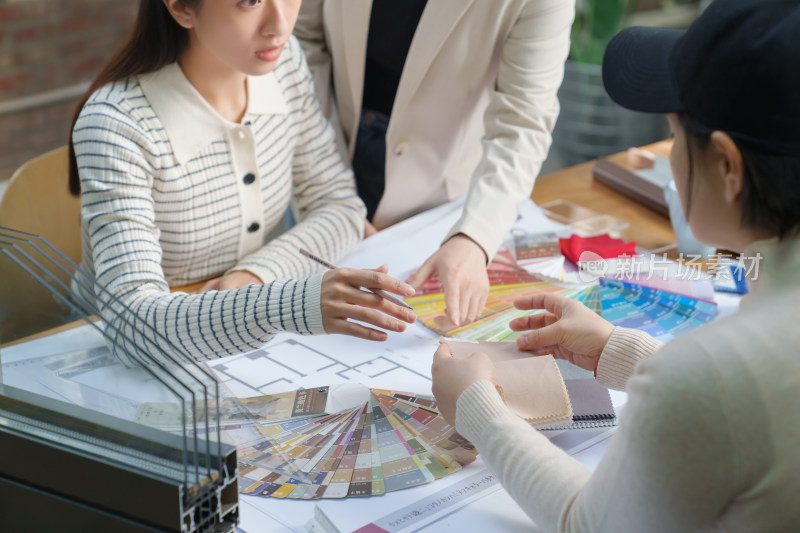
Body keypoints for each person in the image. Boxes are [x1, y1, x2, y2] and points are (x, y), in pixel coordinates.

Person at [430, 0, 800, 531]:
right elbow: (745, 403)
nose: (670, 153)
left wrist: (477, 409)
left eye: (674, 135)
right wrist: (622, 352)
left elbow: (590, 524)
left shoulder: (711, 376)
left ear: (727, 166)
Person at [68, 0, 417, 366]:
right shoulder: (116, 124)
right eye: (249, 2)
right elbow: (131, 328)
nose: (280, 24)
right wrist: (291, 304)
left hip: (242, 349)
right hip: (104, 358)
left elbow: (340, 206)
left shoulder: (284, 63)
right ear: (181, 8)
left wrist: (256, 275)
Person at [294, 1, 574, 327]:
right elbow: (301, 44)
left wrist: (474, 237)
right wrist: (329, 188)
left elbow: (523, 121)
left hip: (440, 189)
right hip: (325, 137)